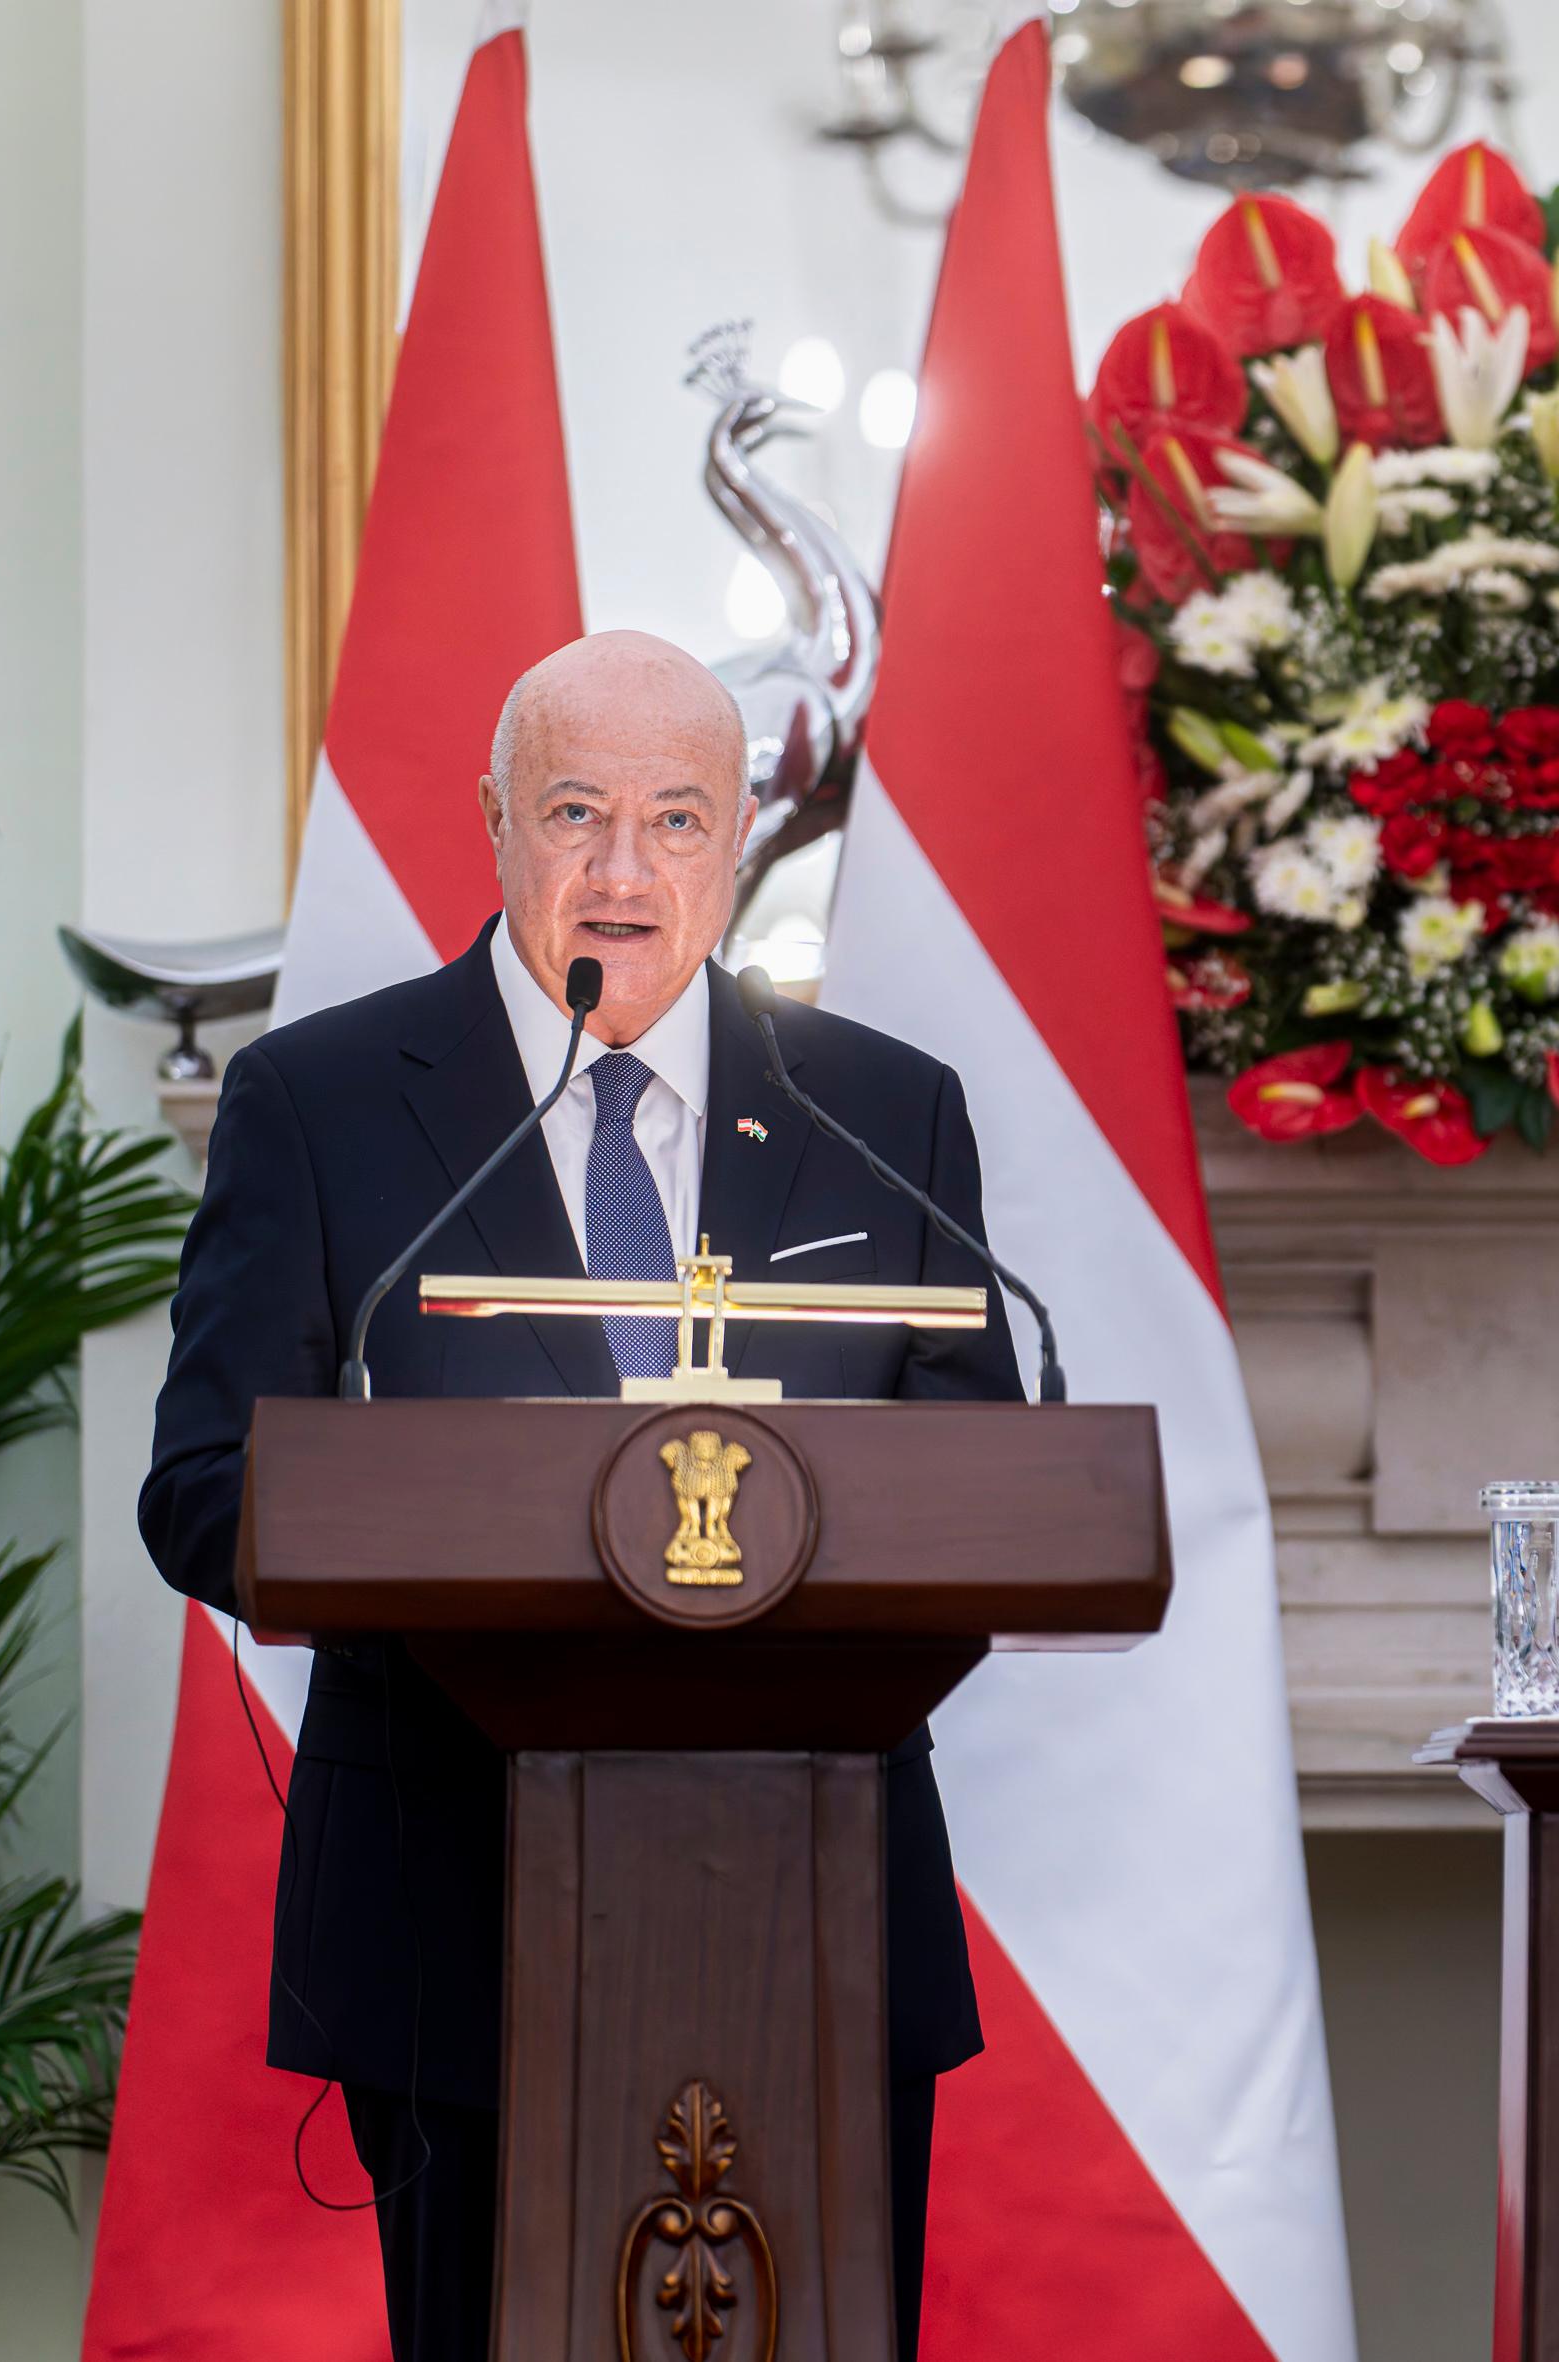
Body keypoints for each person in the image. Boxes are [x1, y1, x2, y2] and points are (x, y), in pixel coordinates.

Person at [141, 631, 1018, 2361]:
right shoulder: (319, 1102)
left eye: (677, 818)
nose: (623, 871)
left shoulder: (881, 1112)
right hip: (454, 1912)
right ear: (492, 824)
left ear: (741, 835)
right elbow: (204, 1486)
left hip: (820, 1918)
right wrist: (448, 1535)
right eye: (575, 813)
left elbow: (980, 1489)